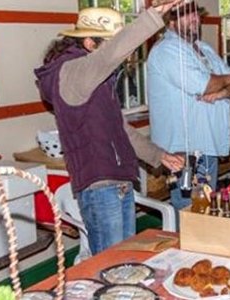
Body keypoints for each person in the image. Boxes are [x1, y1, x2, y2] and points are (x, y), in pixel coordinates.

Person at [34, 1, 185, 254]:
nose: (124, 56)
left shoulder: (96, 79)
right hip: (100, 186)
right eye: (110, 42)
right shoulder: (73, 73)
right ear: (90, 43)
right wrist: (153, 16)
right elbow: (110, 54)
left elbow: (121, 129)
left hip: (117, 181)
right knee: (111, 263)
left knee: (125, 260)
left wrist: (159, 156)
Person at [147, 2, 230, 211]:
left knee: (206, 209)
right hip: (185, 152)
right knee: (191, 212)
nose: (194, 19)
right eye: (186, 15)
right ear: (170, 21)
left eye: (196, 15)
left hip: (208, 145)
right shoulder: (167, 50)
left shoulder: (204, 48)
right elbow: (203, 84)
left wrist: (221, 90)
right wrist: (227, 80)